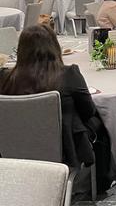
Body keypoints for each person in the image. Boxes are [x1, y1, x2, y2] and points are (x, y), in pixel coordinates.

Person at [0, 25, 103, 168]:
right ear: (54, 46)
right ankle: (100, 181)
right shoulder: (68, 74)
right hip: (63, 148)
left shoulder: (5, 77)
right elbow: (88, 111)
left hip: (14, 146)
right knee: (100, 119)